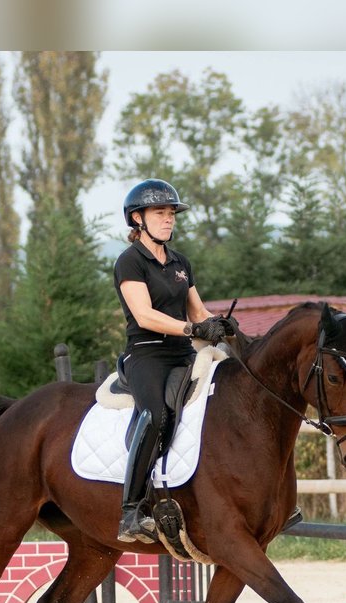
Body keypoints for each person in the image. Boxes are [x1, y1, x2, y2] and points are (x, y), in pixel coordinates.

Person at [112, 178, 233, 543]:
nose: (169, 220)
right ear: (138, 218)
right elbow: (145, 315)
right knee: (157, 414)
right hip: (147, 354)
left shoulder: (180, 262)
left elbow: (198, 309)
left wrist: (221, 326)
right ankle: (131, 511)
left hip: (183, 352)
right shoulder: (130, 262)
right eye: (160, 213)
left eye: (171, 214)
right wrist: (191, 327)